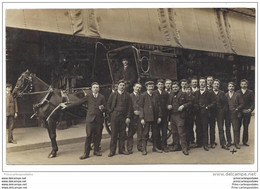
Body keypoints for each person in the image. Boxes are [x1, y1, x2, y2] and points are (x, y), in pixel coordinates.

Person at [60, 82, 106, 159]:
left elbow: (105, 106)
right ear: (91, 89)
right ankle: (86, 153)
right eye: (94, 87)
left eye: (97, 87)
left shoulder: (102, 97)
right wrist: (67, 106)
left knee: (98, 136)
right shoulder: (89, 96)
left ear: (99, 88)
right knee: (88, 136)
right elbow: (78, 103)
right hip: (90, 119)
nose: (95, 89)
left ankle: (96, 151)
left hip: (99, 119)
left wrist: (103, 108)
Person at [107, 80, 133, 157]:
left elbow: (130, 107)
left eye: (123, 85)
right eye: (120, 85)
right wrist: (111, 113)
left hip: (123, 116)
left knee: (122, 134)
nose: (122, 87)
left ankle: (121, 150)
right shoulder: (113, 94)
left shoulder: (127, 95)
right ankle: (112, 151)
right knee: (114, 134)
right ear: (117, 86)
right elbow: (108, 105)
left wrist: (128, 117)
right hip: (115, 116)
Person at [167, 81, 191, 155]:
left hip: (180, 116)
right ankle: (176, 146)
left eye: (176, 87)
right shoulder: (170, 94)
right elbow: (167, 103)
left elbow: (190, 102)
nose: (174, 88)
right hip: (172, 115)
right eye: (173, 87)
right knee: (174, 132)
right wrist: (168, 106)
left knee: (181, 132)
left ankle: (184, 148)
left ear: (179, 87)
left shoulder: (183, 94)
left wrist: (183, 106)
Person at [139, 81, 162, 155]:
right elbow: (141, 107)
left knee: (155, 133)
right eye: (149, 86)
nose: (151, 88)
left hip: (155, 118)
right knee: (145, 133)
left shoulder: (156, 95)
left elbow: (159, 106)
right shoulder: (143, 95)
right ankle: (144, 149)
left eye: (152, 86)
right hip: (146, 117)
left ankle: (155, 147)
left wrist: (159, 116)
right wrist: (142, 118)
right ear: (146, 87)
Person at [194, 77, 216, 151]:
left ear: (205, 83)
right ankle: (199, 143)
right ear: (199, 83)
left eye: (203, 82)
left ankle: (205, 144)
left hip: (206, 113)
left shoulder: (209, 93)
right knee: (198, 128)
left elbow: (213, 103)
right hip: (197, 113)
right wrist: (196, 106)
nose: (202, 84)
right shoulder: (196, 93)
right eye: (200, 82)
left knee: (205, 128)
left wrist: (207, 107)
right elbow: (194, 102)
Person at [212, 79, 229, 150]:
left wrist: (222, 111)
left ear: (219, 85)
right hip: (212, 113)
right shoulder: (209, 92)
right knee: (212, 128)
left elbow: (225, 103)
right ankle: (212, 142)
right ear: (212, 85)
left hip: (220, 113)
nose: (216, 85)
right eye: (215, 84)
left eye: (217, 84)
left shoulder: (222, 93)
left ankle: (223, 143)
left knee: (221, 128)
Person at [226, 82, 244, 149]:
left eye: (232, 86)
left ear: (234, 87)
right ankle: (229, 142)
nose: (231, 87)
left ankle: (236, 143)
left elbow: (242, 104)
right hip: (227, 115)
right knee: (227, 128)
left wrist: (237, 109)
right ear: (228, 87)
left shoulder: (238, 95)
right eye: (230, 86)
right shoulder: (225, 95)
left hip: (235, 114)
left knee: (235, 128)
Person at [237, 79, 254, 146]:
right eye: (242, 84)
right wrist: (238, 110)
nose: (244, 85)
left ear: (247, 85)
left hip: (247, 112)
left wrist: (250, 109)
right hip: (240, 112)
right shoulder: (237, 92)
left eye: (245, 84)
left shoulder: (250, 92)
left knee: (246, 127)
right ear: (240, 85)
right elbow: (236, 102)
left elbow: (253, 102)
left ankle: (245, 141)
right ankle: (237, 141)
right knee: (238, 127)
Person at [153, 79, 169, 152]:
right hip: (156, 115)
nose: (160, 86)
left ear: (164, 85)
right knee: (156, 131)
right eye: (159, 84)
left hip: (164, 115)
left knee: (164, 131)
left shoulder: (166, 93)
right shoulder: (154, 93)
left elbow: (167, 103)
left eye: (162, 84)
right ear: (157, 85)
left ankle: (164, 146)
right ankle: (157, 146)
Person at [128, 83, 142, 154]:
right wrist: (133, 111)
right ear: (133, 87)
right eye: (137, 87)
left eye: (139, 88)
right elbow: (128, 106)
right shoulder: (130, 96)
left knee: (140, 132)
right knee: (130, 133)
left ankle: (140, 147)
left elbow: (143, 106)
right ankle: (129, 148)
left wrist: (140, 112)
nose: (138, 89)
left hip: (140, 116)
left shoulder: (142, 96)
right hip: (132, 116)